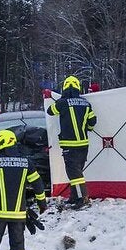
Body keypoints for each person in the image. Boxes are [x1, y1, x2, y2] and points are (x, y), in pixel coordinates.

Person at [46, 75, 97, 209]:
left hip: (70, 145)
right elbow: (92, 122)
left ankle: (82, 199)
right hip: (83, 144)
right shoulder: (86, 103)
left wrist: (61, 99)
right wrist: (88, 128)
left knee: (74, 173)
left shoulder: (62, 103)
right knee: (77, 172)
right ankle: (74, 197)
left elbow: (50, 111)